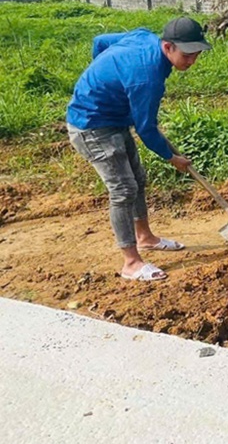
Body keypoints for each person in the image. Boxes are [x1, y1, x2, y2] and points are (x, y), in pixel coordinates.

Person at [67, 17, 211, 282]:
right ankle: (131, 263)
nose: (192, 61)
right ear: (167, 47)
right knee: (123, 190)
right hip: (91, 126)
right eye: (188, 55)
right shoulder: (147, 79)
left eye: (197, 54)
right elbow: (146, 129)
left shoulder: (145, 36)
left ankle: (145, 237)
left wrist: (106, 79)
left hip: (115, 118)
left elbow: (100, 43)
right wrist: (172, 158)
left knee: (138, 180)